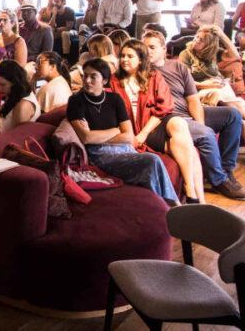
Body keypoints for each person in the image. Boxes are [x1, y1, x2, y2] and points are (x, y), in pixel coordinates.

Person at [143, 30, 245, 199]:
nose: (148, 51)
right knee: (206, 134)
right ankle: (218, 181)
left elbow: (192, 100)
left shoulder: (178, 67)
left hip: (188, 112)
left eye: (152, 47)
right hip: (170, 118)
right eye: (145, 47)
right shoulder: (142, 71)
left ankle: (226, 171)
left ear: (163, 48)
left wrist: (200, 123)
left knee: (232, 115)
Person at [67, 58, 178, 203]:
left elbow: (128, 136)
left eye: (93, 76)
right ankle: (169, 205)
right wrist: (115, 130)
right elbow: (86, 138)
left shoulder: (115, 99)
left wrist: (99, 135)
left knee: (151, 162)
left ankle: (166, 205)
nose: (87, 80)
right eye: (85, 76)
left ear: (104, 80)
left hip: (125, 149)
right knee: (152, 160)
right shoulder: (76, 101)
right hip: (100, 154)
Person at [110, 39, 205, 202]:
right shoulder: (113, 80)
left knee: (179, 124)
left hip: (152, 125)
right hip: (132, 128)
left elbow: (165, 107)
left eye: (130, 56)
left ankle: (192, 191)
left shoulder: (154, 76)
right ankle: (198, 201)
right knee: (188, 148)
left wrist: (144, 134)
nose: (125, 59)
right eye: (123, 56)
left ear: (140, 59)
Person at [179, 25, 245, 120]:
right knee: (224, 98)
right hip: (201, 89)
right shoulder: (186, 54)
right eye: (197, 37)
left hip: (220, 86)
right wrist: (207, 85)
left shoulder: (214, 53)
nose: (196, 40)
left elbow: (235, 56)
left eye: (201, 40)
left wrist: (221, 35)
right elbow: (186, 82)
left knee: (239, 108)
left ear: (209, 45)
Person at [0, 60, 41, 137]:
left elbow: (16, 138)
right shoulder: (14, 93)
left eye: (2, 85)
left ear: (15, 82)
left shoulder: (23, 105)